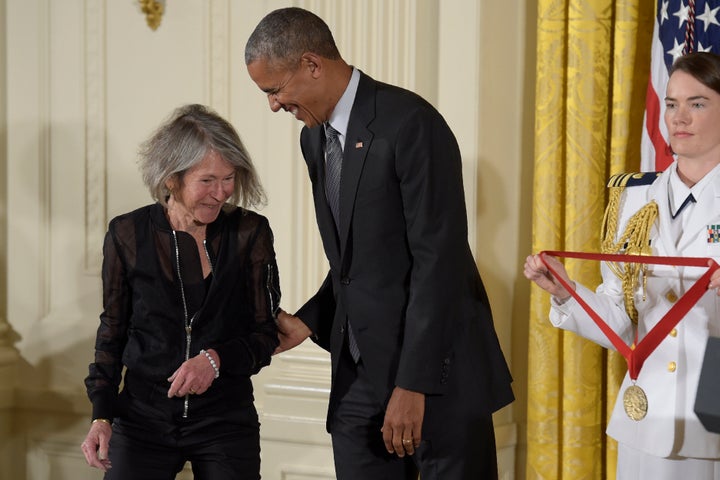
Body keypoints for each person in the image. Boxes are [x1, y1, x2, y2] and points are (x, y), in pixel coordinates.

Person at [245, 7, 514, 479]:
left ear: (312, 64)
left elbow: (439, 263)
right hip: (358, 380)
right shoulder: (314, 139)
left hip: (436, 379)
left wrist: (414, 384)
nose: (272, 105)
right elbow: (357, 258)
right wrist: (310, 321)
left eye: (275, 90)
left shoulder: (409, 123)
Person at [524, 51, 720, 479]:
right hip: (645, 417)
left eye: (697, 103)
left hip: (713, 419)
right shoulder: (634, 199)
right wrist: (566, 292)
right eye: (671, 103)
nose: (679, 117)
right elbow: (624, 323)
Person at [80, 104, 280, 480]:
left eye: (228, 178)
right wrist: (101, 415)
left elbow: (265, 334)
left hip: (225, 421)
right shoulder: (127, 234)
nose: (220, 194)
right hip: (142, 421)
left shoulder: (249, 233)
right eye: (207, 180)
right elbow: (112, 331)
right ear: (171, 179)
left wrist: (215, 359)